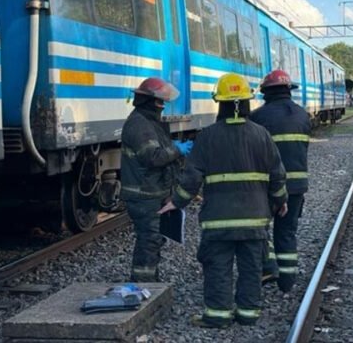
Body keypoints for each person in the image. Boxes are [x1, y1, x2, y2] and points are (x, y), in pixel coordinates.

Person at [159, 73, 287, 329]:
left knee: (217, 266)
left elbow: (191, 178)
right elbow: (277, 175)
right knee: (251, 268)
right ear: (247, 102)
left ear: (221, 103)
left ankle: (217, 316)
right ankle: (248, 314)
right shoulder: (262, 135)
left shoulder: (207, 136)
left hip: (218, 221)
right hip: (255, 220)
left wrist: (176, 203)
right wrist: (279, 201)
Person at [250, 69, 311, 292]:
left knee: (261, 229)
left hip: (266, 186)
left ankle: (269, 266)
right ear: (288, 90)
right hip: (296, 186)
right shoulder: (303, 115)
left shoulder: (258, 117)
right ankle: (287, 282)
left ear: (266, 92)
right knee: (287, 232)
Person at [120, 77, 187, 282]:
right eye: (160, 102)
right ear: (149, 101)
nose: (163, 106)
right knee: (149, 239)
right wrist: (177, 149)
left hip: (151, 192)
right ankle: (143, 284)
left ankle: (149, 282)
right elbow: (153, 157)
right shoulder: (140, 125)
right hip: (144, 195)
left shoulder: (147, 122)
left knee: (154, 239)